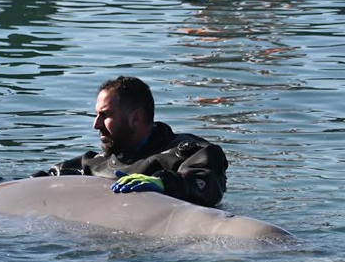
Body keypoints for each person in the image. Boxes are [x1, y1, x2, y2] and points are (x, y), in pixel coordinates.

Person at [33, 76, 228, 207]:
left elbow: (209, 184)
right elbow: (49, 178)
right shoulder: (96, 164)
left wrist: (164, 183)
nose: (96, 125)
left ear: (135, 118)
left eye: (105, 115)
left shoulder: (188, 152)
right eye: (96, 115)